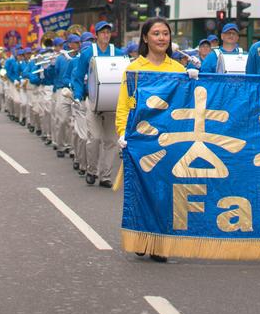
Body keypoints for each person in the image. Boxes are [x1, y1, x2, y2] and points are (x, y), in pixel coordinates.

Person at [116, 17, 187, 264]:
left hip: (169, 140)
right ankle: (140, 238)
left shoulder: (179, 70)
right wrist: (122, 133)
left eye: (165, 33)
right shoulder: (134, 69)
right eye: (156, 33)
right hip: (141, 139)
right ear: (145, 38)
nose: (161, 38)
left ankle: (160, 243)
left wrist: (198, 81)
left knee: (165, 191)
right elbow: (124, 105)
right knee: (141, 190)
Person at [74, 21, 122, 187]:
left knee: (111, 140)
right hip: (93, 102)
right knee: (94, 138)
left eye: (108, 32)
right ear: (97, 35)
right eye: (103, 32)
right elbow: (78, 76)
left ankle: (106, 176)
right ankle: (92, 170)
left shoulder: (118, 53)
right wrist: (78, 95)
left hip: (112, 104)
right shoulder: (88, 53)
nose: (106, 35)